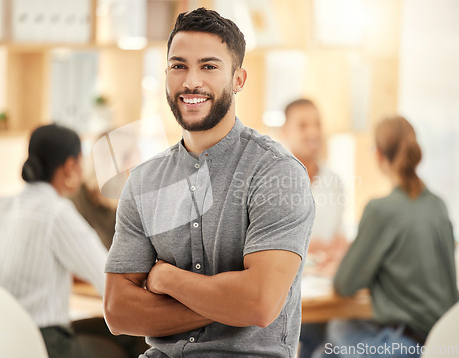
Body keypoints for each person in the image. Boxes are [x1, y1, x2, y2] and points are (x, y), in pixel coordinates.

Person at [104, 7, 315, 358]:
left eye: (209, 66)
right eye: (179, 66)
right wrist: (229, 303)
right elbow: (118, 311)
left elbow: (260, 304)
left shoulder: (276, 173)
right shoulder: (143, 181)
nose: (191, 82)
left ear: (238, 79)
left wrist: (166, 279)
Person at [0, 124, 145, 358]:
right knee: (139, 338)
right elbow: (108, 276)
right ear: (70, 166)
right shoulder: (56, 212)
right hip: (43, 344)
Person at [315, 116, 459, 358]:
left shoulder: (380, 209)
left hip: (404, 346)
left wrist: (342, 266)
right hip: (444, 342)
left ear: (379, 155)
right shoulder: (438, 205)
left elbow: (345, 284)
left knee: (333, 331)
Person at [281, 99, 348, 358]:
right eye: (303, 125)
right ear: (285, 132)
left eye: (317, 124)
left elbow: (339, 237)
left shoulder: (335, 182)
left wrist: (340, 249)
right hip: (289, 294)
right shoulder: (273, 182)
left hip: (327, 292)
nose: (313, 132)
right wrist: (308, 246)